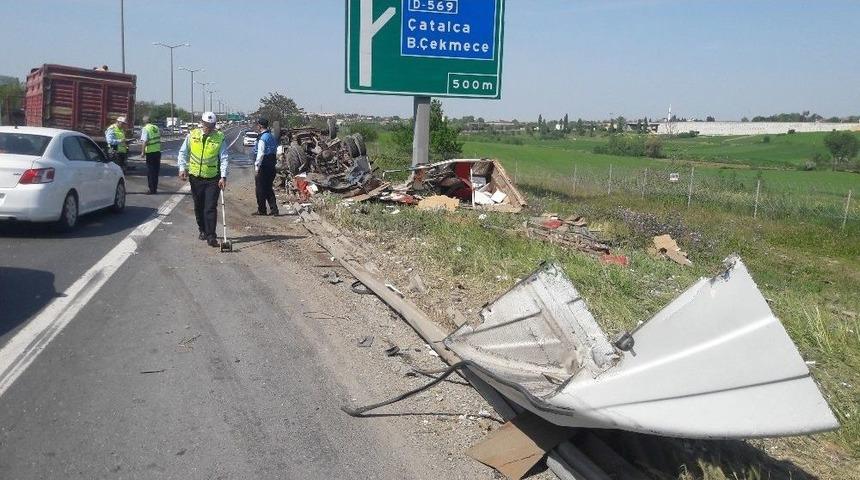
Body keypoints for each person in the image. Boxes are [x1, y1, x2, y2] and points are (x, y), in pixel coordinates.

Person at [177, 112, 229, 247]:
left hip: (213, 178)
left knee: (210, 207)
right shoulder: (192, 135)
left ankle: (211, 235)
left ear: (214, 125)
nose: (208, 128)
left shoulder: (219, 137)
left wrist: (223, 176)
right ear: (202, 123)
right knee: (199, 206)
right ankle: (202, 230)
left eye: (211, 126)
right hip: (195, 177)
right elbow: (183, 152)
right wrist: (182, 168)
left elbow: (224, 158)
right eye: (206, 125)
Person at [252, 118, 279, 216]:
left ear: (260, 126)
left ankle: (262, 210)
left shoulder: (263, 138)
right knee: (268, 188)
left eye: (257, 125)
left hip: (263, 166)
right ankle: (274, 209)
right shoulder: (271, 136)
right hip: (271, 165)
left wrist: (257, 167)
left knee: (260, 189)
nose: (256, 126)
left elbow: (260, 154)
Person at [139, 116, 162, 194]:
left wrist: (142, 152)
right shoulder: (156, 127)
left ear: (144, 122)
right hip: (157, 151)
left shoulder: (146, 129)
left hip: (150, 152)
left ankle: (151, 189)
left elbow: (144, 141)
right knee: (156, 172)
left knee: (150, 172)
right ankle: (154, 188)